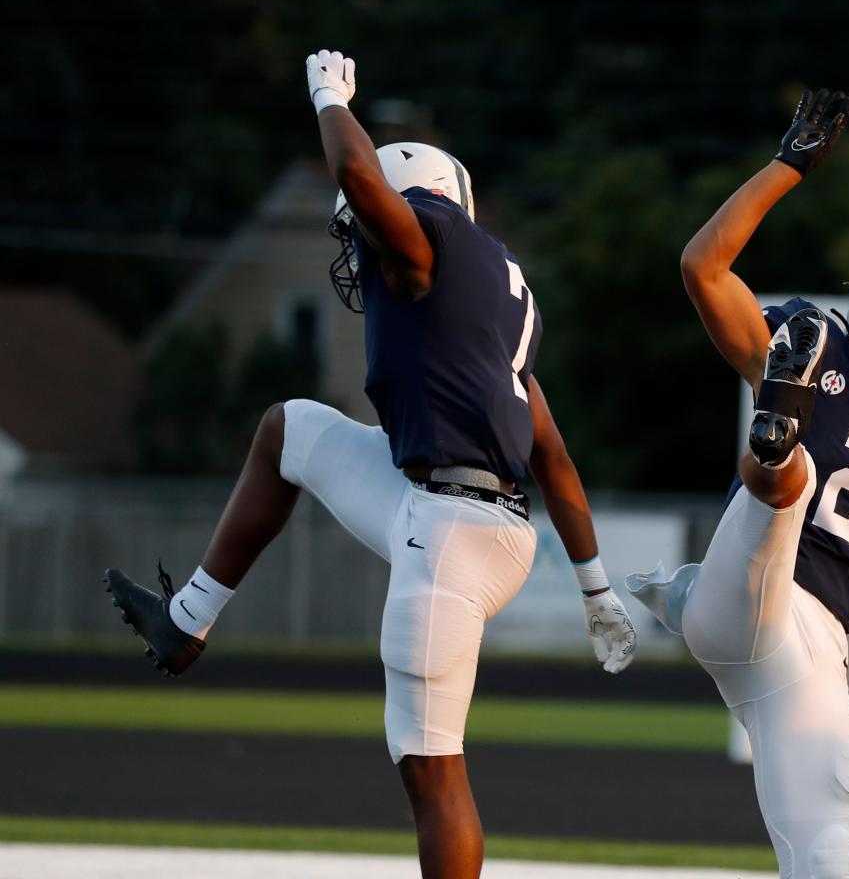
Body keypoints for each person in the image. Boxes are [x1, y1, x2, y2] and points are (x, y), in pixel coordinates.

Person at [104, 49, 636, 879]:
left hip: (451, 528)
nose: (358, 250)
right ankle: (187, 621)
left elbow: (355, 168)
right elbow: (555, 457)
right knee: (292, 432)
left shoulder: (428, 244)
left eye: (366, 226)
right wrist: (595, 587)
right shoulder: (496, 295)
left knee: (432, 768)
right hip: (457, 509)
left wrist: (328, 95)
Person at [627, 88, 849, 878]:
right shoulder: (811, 338)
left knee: (830, 824)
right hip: (754, 577)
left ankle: (687, 583)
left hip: (811, 642)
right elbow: (701, 266)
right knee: (788, 477)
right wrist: (787, 166)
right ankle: (775, 438)